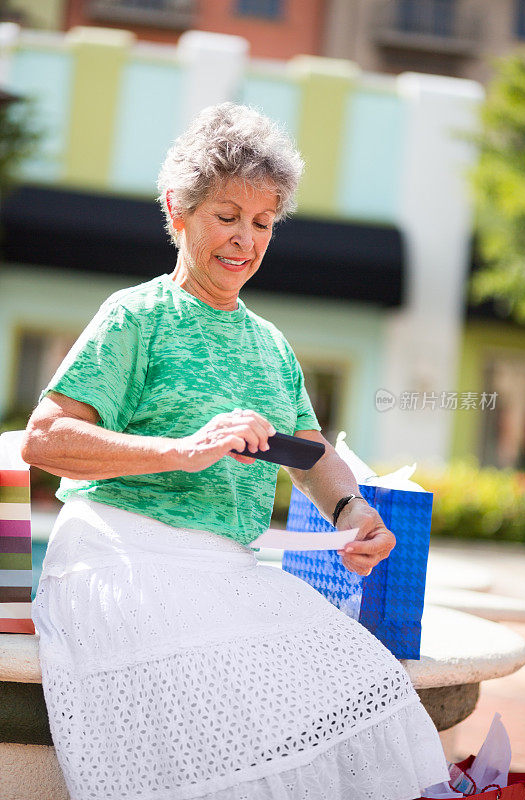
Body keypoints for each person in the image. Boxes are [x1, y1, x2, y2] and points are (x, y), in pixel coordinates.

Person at [22, 103, 449, 800]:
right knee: (233, 694)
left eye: (261, 222)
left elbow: (309, 456)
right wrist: (180, 449)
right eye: (227, 216)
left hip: (220, 565)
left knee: (365, 677)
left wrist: (352, 511)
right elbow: (45, 438)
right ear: (178, 212)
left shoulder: (271, 346)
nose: (244, 240)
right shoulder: (137, 316)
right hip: (121, 550)